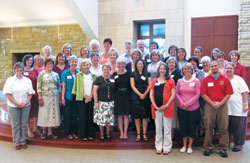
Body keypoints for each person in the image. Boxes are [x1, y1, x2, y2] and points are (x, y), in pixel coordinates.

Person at [201, 60, 233, 158]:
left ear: (218, 67)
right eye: (212, 66)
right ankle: (208, 147)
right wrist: (212, 103)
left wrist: (220, 103)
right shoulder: (206, 79)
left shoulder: (225, 79)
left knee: (223, 127)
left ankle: (223, 148)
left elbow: (228, 94)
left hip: (222, 106)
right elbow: (203, 94)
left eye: (215, 66)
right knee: (208, 127)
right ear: (210, 68)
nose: (214, 68)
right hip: (209, 106)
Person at [3, 62, 35, 150]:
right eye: (17, 68)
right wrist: (17, 103)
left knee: (23, 124)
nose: (19, 70)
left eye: (21, 68)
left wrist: (25, 103)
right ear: (14, 70)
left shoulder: (27, 80)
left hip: (26, 105)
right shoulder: (10, 80)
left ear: (23, 69)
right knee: (15, 125)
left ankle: (23, 141)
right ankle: (17, 142)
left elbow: (30, 93)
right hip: (13, 106)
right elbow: (8, 94)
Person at [149, 63, 175, 155]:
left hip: (167, 108)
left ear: (166, 70)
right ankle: (158, 146)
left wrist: (166, 105)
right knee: (158, 128)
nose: (162, 70)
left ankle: (167, 147)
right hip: (157, 108)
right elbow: (151, 94)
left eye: (164, 69)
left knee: (167, 129)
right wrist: (155, 105)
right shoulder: (154, 81)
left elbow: (173, 95)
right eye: (161, 69)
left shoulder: (171, 81)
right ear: (158, 70)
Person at [176, 63, 201, 154]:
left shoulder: (196, 81)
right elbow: (177, 93)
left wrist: (188, 103)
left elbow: (197, 94)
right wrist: (182, 103)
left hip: (193, 109)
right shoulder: (179, 81)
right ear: (182, 70)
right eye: (185, 69)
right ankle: (184, 145)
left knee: (191, 126)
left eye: (188, 69)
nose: (186, 70)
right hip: (182, 108)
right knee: (183, 126)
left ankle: (190, 145)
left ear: (191, 70)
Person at [225, 62, 249, 152]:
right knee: (226, 129)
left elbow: (245, 92)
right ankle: (225, 144)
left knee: (239, 129)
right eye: (227, 68)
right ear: (225, 69)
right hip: (226, 109)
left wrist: (245, 105)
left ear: (234, 69)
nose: (229, 70)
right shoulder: (223, 79)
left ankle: (238, 145)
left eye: (230, 68)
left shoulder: (239, 79)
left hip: (238, 109)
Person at [72, 59, 96, 141]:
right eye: (84, 65)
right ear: (81, 66)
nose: (86, 66)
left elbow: (94, 88)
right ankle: (83, 135)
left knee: (90, 117)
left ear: (90, 66)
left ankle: (90, 134)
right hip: (81, 99)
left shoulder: (93, 76)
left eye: (87, 65)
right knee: (82, 117)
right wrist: (85, 96)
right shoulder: (78, 75)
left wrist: (90, 96)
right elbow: (77, 87)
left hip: (91, 99)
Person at [37, 58, 61, 140]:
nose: (50, 65)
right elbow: (39, 87)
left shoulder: (56, 75)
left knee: (52, 114)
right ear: (45, 65)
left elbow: (59, 87)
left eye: (51, 64)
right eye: (48, 64)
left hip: (54, 96)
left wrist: (60, 98)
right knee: (44, 114)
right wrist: (40, 97)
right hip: (44, 96)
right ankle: (44, 132)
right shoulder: (41, 74)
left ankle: (50, 132)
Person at [130, 58, 151, 142]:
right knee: (137, 116)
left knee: (145, 116)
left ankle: (145, 134)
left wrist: (145, 94)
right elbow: (132, 86)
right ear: (136, 65)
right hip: (135, 97)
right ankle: (138, 134)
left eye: (141, 64)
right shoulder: (133, 74)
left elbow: (150, 85)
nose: (140, 65)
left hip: (145, 97)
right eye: (138, 64)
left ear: (144, 65)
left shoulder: (147, 73)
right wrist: (140, 94)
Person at [93, 64, 115, 141]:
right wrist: (96, 102)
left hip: (111, 103)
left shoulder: (112, 78)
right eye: (104, 69)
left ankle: (108, 134)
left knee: (109, 120)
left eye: (108, 69)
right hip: (101, 103)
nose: (106, 71)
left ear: (110, 70)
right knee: (101, 120)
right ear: (102, 70)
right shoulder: (99, 79)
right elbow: (95, 91)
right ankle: (102, 134)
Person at [113, 57, 131, 141]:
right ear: (117, 65)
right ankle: (121, 133)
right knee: (119, 115)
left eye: (123, 63)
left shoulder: (129, 74)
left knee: (126, 115)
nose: (121, 65)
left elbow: (131, 86)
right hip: (118, 95)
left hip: (126, 95)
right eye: (119, 63)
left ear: (125, 64)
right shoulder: (114, 74)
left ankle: (125, 133)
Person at [61, 55, 79, 140]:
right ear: (69, 63)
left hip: (76, 98)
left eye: (75, 61)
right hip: (67, 97)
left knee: (74, 117)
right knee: (67, 116)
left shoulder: (78, 73)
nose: (73, 63)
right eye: (72, 61)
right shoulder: (65, 73)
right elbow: (63, 86)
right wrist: (62, 98)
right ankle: (68, 133)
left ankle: (74, 132)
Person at [22, 54, 40, 138]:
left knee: (36, 111)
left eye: (31, 60)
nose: (30, 62)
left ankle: (35, 127)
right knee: (27, 113)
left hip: (34, 94)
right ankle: (28, 129)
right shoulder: (22, 70)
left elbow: (38, 82)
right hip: (26, 95)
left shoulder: (35, 70)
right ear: (25, 61)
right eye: (28, 60)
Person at [167, 57, 183, 139]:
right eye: (169, 63)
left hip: (174, 97)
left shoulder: (177, 73)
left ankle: (172, 134)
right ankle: (167, 132)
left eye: (173, 63)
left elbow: (178, 86)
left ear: (175, 64)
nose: (171, 64)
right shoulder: (165, 73)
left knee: (173, 115)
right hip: (166, 97)